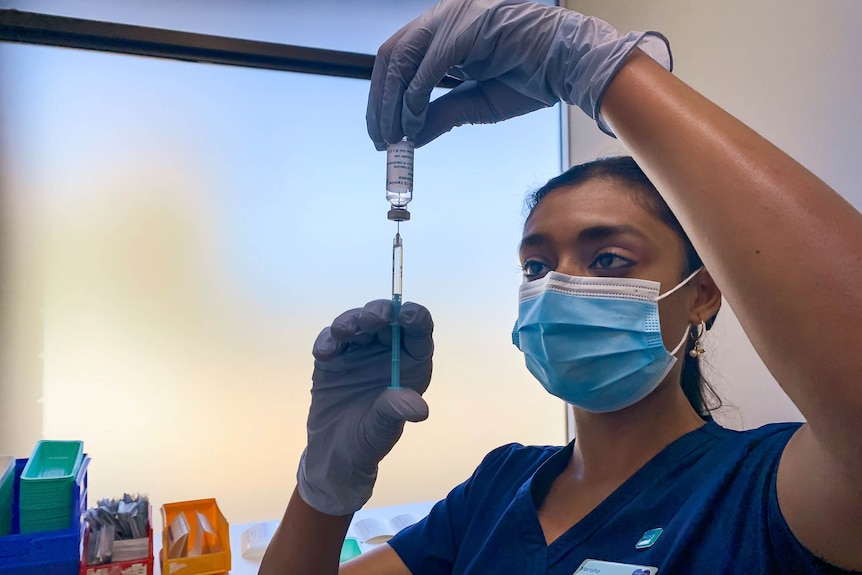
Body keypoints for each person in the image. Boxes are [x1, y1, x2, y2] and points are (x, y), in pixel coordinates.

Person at [260, 0, 862, 573]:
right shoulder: (499, 488)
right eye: (536, 267)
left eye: (607, 258)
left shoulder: (759, 489)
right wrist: (325, 488)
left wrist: (601, 70)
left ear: (701, 293)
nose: (558, 286)